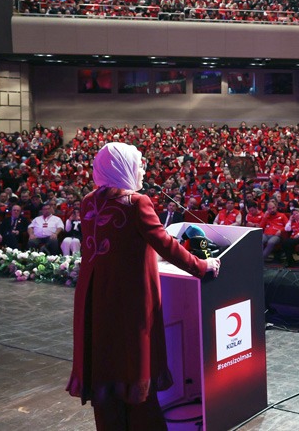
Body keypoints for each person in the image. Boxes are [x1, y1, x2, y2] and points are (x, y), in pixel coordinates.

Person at [67, 142, 220, 430]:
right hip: (130, 301)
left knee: (106, 365)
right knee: (135, 367)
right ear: (124, 167)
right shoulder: (136, 202)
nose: (142, 169)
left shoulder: (89, 200)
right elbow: (166, 245)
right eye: (138, 164)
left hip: (95, 299)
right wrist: (203, 266)